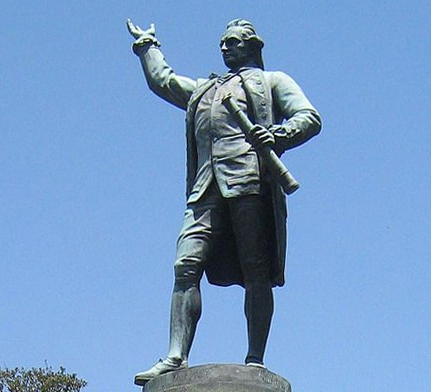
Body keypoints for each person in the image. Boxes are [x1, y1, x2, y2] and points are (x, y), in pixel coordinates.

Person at [126, 18, 321, 386]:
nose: (224, 48)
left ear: (253, 46)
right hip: (205, 190)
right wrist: (147, 45)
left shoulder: (272, 81)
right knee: (186, 265)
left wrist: (278, 133)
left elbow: (309, 118)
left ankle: (255, 360)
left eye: (232, 42)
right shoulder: (205, 89)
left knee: (256, 271)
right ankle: (174, 356)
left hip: (249, 183)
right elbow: (164, 81)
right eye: (222, 43)